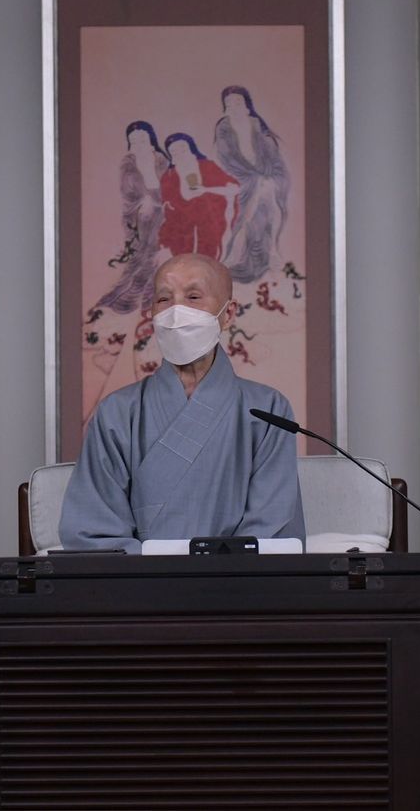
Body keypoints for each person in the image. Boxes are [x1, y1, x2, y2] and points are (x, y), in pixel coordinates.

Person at [59, 253, 306, 552]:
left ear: (228, 314)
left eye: (193, 297)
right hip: (138, 578)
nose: (176, 312)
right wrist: (157, 571)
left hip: (237, 578)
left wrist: (221, 570)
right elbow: (95, 527)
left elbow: (271, 526)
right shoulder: (117, 413)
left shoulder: (268, 410)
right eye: (163, 299)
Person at [213, 85, 291, 283]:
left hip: (268, 175)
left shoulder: (257, 126)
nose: (234, 106)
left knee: (269, 190)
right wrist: (254, 178)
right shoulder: (223, 128)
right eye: (229, 103)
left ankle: (265, 249)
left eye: (238, 102)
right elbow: (227, 161)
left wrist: (267, 177)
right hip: (240, 177)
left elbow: (274, 158)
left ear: (247, 105)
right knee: (259, 191)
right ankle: (261, 251)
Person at [95, 120, 170, 315]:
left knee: (154, 257)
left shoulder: (162, 160)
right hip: (138, 217)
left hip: (163, 215)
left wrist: (157, 202)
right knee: (140, 257)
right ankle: (122, 298)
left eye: (142, 139)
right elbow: (129, 191)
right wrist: (146, 200)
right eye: (134, 141)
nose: (139, 144)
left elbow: (170, 187)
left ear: (151, 140)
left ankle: (145, 299)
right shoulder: (128, 163)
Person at [157, 133, 239, 261]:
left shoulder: (208, 167)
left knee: (207, 259)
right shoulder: (169, 176)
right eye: (174, 152)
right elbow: (167, 205)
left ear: (191, 149)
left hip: (209, 221)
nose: (180, 154)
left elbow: (234, 188)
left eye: (182, 149)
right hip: (182, 227)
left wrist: (206, 190)